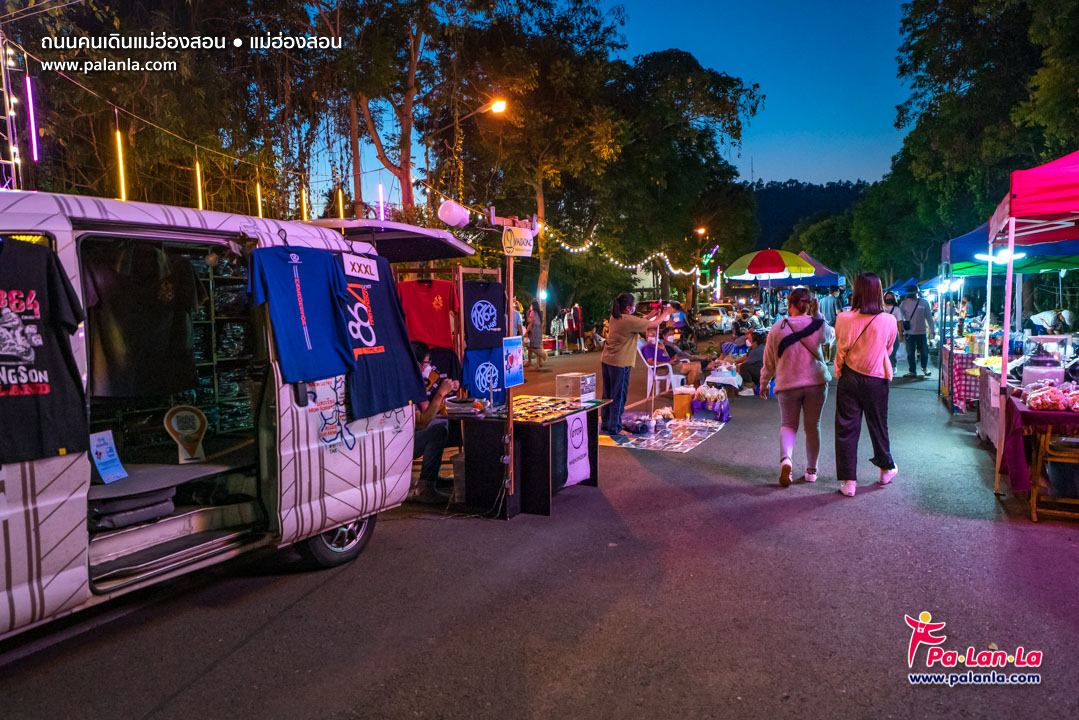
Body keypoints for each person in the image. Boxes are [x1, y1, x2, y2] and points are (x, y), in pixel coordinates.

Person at [760, 288, 835, 486]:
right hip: (815, 383)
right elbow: (831, 336)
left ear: (789, 304)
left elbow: (769, 360)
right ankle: (811, 471)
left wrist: (764, 382)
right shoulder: (818, 324)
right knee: (813, 427)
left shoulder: (777, 328)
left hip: (787, 384)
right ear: (809, 304)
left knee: (788, 425)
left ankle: (786, 461)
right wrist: (818, 315)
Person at [834, 273, 898, 497]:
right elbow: (888, 348)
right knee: (878, 424)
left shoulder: (843, 318)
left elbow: (841, 348)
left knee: (846, 428)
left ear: (857, 291)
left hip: (849, 376)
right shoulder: (889, 320)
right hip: (877, 378)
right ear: (878, 292)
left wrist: (840, 369)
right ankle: (886, 469)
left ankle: (848, 482)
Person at [600, 293, 672, 437]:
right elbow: (654, 325)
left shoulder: (616, 317)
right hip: (620, 362)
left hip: (608, 360)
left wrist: (650, 315)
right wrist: (666, 313)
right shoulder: (627, 320)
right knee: (618, 395)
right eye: (633, 305)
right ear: (628, 308)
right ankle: (615, 428)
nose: (634, 307)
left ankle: (607, 424)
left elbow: (640, 322)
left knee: (608, 395)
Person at [409, 341, 460, 504]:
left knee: (442, 423)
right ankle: (425, 487)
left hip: (407, 434)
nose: (429, 366)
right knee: (438, 431)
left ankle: (431, 477)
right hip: (400, 442)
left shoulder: (415, 381)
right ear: (417, 364)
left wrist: (444, 398)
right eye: (426, 362)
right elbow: (422, 422)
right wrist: (440, 394)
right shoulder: (406, 383)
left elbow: (426, 409)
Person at [898, 285, 934, 378]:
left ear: (917, 292)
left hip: (921, 332)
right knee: (910, 353)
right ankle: (912, 371)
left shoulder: (924, 302)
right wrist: (900, 332)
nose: (911, 294)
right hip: (909, 333)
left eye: (912, 292)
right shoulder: (904, 303)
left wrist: (932, 330)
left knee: (924, 352)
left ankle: (924, 367)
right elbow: (900, 318)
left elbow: (929, 317)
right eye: (909, 292)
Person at [735, 330, 767, 396]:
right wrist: (735, 363)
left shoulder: (758, 350)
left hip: (763, 373)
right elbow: (746, 357)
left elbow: (747, 362)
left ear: (755, 342)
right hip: (761, 370)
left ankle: (749, 389)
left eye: (750, 340)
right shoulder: (755, 347)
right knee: (743, 367)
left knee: (744, 367)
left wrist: (736, 367)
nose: (748, 340)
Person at [883, 291, 904, 373]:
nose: (889, 298)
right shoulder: (881, 308)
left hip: (893, 334)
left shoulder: (897, 309)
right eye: (887, 296)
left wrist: (901, 334)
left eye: (891, 297)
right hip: (882, 333)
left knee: (893, 350)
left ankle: (893, 366)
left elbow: (899, 322)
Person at [525, 298, 547, 369]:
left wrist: (526, 331)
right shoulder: (539, 313)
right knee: (537, 347)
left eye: (531, 305)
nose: (530, 307)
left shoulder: (532, 312)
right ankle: (538, 363)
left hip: (534, 331)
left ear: (533, 306)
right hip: (538, 331)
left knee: (530, 347)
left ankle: (542, 355)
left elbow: (531, 323)